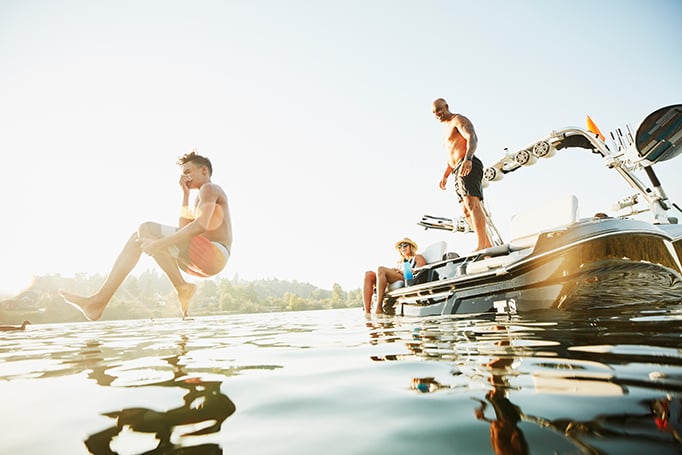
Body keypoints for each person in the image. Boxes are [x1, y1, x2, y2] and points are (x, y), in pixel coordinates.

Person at [59, 150, 233, 320]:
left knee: (146, 229)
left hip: (213, 254)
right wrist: (185, 195)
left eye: (188, 172)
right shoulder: (200, 196)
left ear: (204, 170)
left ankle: (182, 287)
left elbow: (198, 227)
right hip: (206, 260)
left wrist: (160, 244)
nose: (184, 177)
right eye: (182, 174)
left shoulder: (209, 188)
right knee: (138, 239)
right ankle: (97, 303)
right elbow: (184, 229)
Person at [433, 98, 492, 251]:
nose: (437, 114)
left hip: (467, 163)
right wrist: (446, 175)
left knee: (472, 203)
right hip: (457, 169)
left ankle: (481, 245)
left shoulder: (458, 120)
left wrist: (468, 158)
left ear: (446, 107)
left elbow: (472, 137)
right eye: (434, 112)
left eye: (439, 110)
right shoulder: (445, 130)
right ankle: (487, 245)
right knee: (466, 211)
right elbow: (451, 155)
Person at [363, 238, 426, 314]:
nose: (402, 248)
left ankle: (379, 307)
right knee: (369, 274)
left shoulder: (417, 257)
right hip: (396, 278)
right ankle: (367, 312)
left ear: (411, 246)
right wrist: (393, 271)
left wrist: (401, 272)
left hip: (408, 279)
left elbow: (420, 271)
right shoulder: (400, 262)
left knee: (381, 269)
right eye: (400, 246)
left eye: (405, 245)